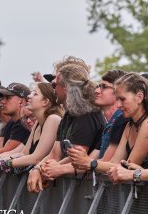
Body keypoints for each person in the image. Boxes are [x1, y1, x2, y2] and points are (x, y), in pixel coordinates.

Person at [27, 56, 105, 192]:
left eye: (54, 85)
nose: (52, 89)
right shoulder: (69, 114)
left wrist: (51, 168)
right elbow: (55, 153)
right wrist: (37, 169)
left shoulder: (87, 114)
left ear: (66, 87)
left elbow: (76, 159)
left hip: (85, 192)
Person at [68, 72, 148, 175]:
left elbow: (129, 165)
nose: (119, 105)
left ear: (139, 97)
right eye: (117, 99)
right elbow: (115, 162)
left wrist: (90, 162)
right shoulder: (130, 125)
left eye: (123, 99)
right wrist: (86, 161)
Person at [0, 82, 64, 180]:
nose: (29, 96)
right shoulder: (38, 123)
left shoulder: (53, 119)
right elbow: (24, 153)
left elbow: (36, 158)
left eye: (35, 94)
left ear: (45, 102)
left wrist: (3, 164)